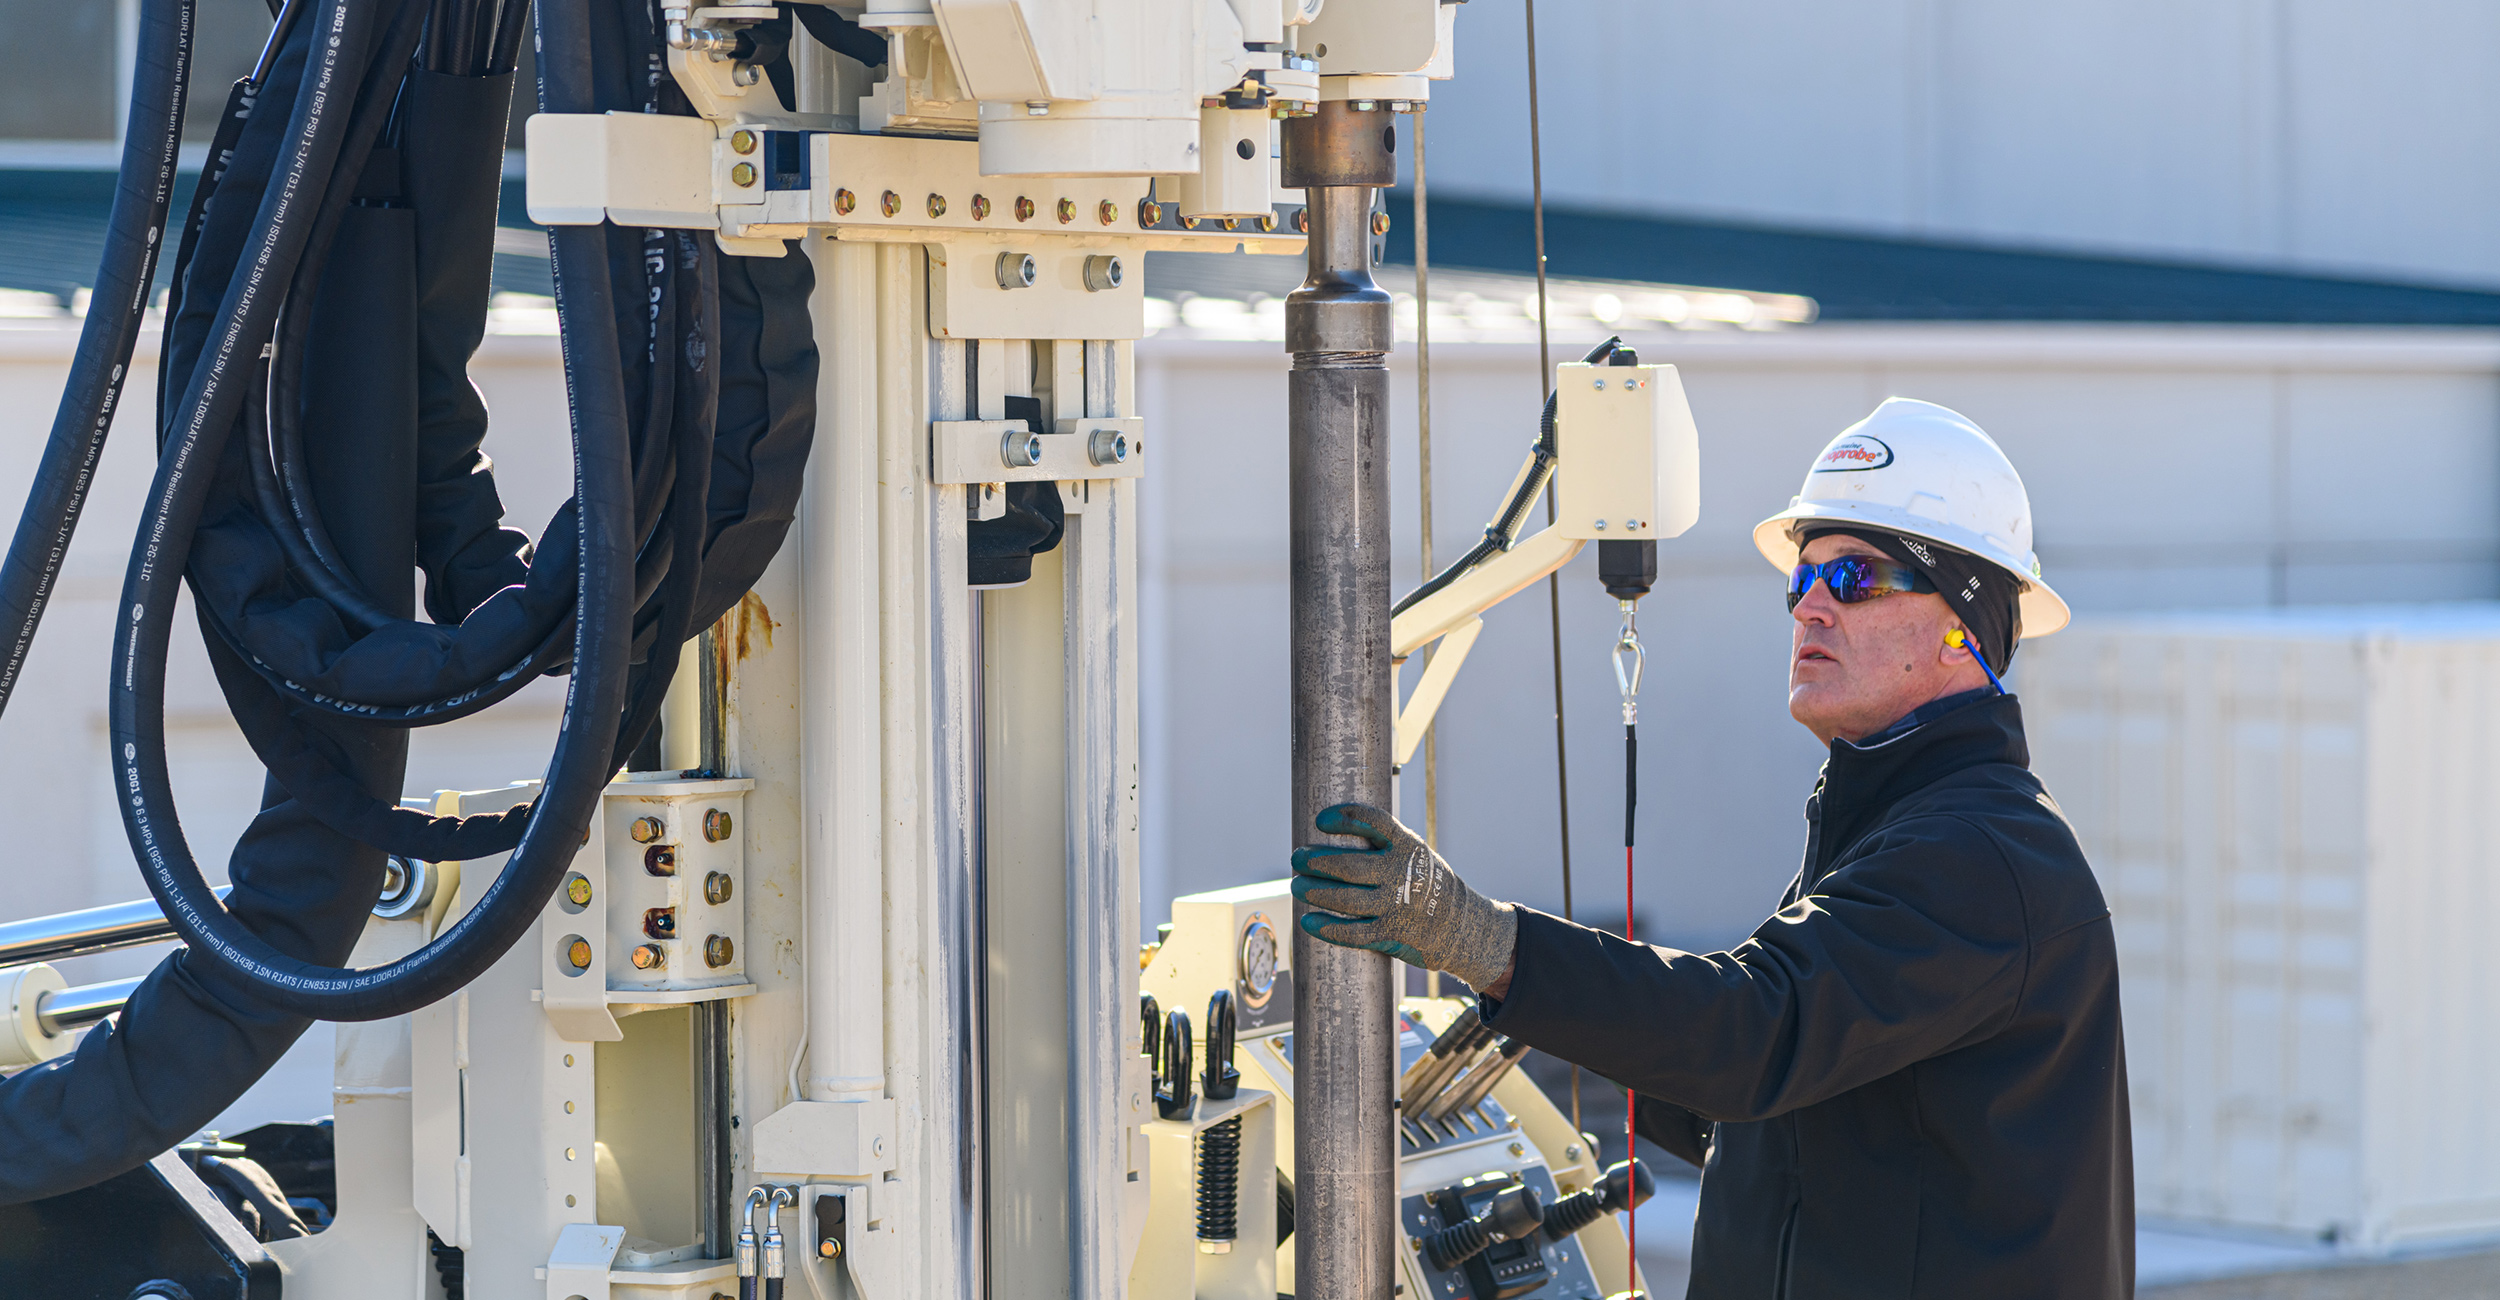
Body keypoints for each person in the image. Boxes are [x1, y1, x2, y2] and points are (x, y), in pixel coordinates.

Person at [1292, 399, 2132, 1299]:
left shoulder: (1980, 857)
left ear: (1969, 623)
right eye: (1800, 578)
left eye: (1853, 577)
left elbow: (1757, 1032)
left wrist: (1480, 942)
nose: (1809, 606)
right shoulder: (1901, 831)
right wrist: (1539, 1022)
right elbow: (1803, 1104)